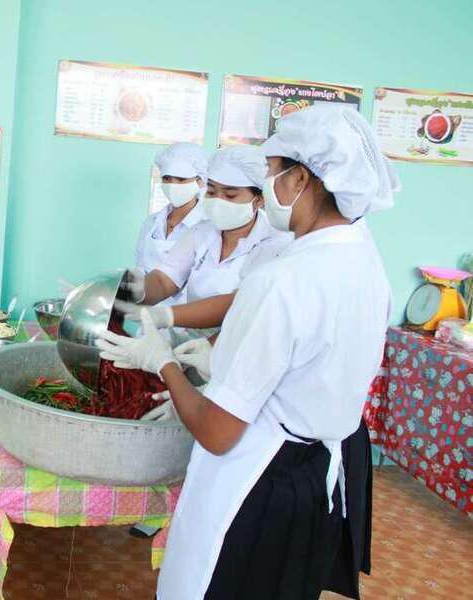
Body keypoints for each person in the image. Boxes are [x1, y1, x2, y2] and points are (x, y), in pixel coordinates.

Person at [97, 105, 396, 600]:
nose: (269, 185)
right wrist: (216, 359)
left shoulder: (282, 277)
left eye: (273, 172)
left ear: (300, 178)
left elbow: (217, 433)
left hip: (256, 484)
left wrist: (163, 363)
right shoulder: (364, 259)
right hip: (314, 482)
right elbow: (305, 360)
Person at [122, 145, 292, 342]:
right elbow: (164, 279)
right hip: (190, 335)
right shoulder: (201, 232)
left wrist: (168, 316)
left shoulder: (276, 245)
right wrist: (129, 293)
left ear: (259, 199)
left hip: (239, 341)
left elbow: (243, 305)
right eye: (211, 192)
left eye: (230, 195)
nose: (218, 201)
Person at [133, 142, 210, 306]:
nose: (173, 185)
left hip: (188, 317)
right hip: (147, 311)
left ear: (200, 181)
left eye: (181, 179)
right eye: (167, 178)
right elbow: (140, 270)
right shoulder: (151, 223)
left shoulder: (208, 226)